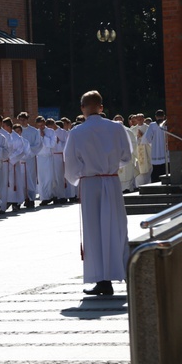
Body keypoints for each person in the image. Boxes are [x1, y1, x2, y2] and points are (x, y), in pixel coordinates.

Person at [64, 90, 133, 296]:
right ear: (101, 107)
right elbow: (127, 157)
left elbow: (70, 165)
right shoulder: (116, 128)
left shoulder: (77, 132)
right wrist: (110, 167)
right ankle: (121, 271)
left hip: (91, 183)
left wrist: (78, 177)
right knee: (116, 227)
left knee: (94, 231)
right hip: (111, 182)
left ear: (82, 108)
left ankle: (102, 280)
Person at [18, 112, 43, 208]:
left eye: (24, 119)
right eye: (20, 119)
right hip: (20, 158)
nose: (22, 121)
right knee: (21, 179)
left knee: (30, 178)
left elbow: (38, 144)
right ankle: (24, 198)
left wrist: (29, 152)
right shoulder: (17, 130)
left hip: (30, 158)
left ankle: (31, 198)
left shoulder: (34, 131)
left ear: (27, 119)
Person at [35, 117, 58, 206]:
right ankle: (44, 197)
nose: (40, 127)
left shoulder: (51, 132)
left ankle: (51, 195)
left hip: (48, 157)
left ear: (44, 123)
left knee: (49, 177)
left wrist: (44, 136)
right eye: (39, 125)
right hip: (40, 157)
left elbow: (52, 144)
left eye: (42, 125)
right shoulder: (36, 132)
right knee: (41, 178)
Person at [142, 109, 168, 183]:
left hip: (156, 152)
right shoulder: (167, 124)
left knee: (156, 170)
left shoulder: (152, 125)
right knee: (166, 169)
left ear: (156, 117)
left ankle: (156, 182)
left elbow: (147, 139)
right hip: (166, 152)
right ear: (164, 116)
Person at [114, 115, 138, 192]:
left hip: (126, 158)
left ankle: (128, 190)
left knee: (127, 177)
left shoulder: (128, 131)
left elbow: (134, 145)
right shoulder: (112, 132)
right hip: (117, 159)